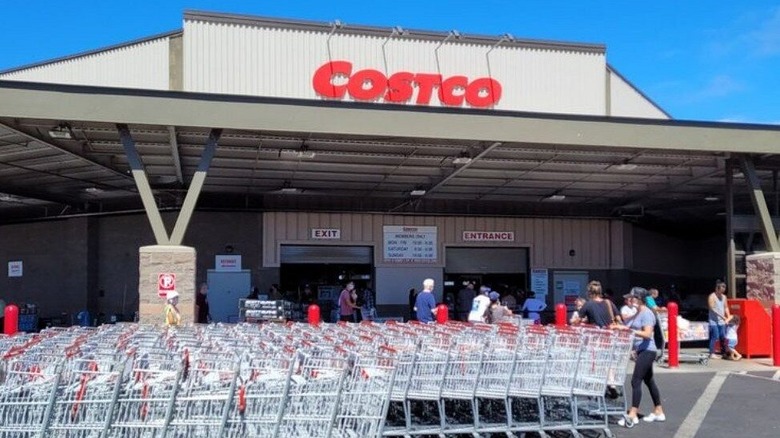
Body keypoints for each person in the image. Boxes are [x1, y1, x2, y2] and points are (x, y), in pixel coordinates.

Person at [618, 287, 666, 427]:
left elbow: (647, 334)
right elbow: (626, 323)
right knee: (649, 381)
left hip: (648, 350)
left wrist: (627, 330)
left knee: (635, 380)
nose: (629, 300)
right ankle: (659, 410)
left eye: (632, 297)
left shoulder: (647, 314)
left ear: (639, 299)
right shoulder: (638, 312)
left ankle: (633, 414)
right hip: (641, 350)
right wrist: (618, 325)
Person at [708, 280, 731, 359]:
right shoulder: (712, 296)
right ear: (717, 288)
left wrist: (728, 316)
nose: (724, 289)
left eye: (724, 287)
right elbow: (712, 308)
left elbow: (726, 307)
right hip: (713, 320)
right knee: (715, 335)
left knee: (723, 336)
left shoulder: (724, 297)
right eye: (722, 287)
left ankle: (723, 352)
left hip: (722, 321)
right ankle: (712, 353)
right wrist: (722, 316)